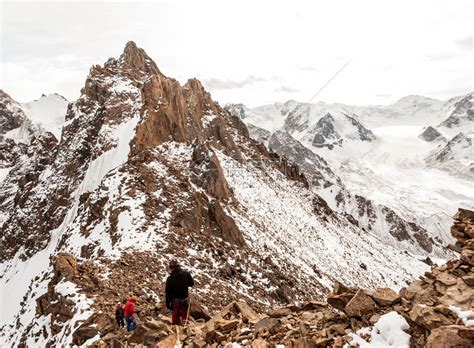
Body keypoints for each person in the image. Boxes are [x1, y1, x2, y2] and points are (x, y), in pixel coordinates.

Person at [165, 259, 194, 325]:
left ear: (171, 267)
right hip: (185, 300)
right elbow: (191, 283)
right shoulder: (186, 273)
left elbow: (168, 292)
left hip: (175, 301)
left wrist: (168, 304)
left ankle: (175, 329)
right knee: (185, 319)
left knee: (175, 319)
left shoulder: (170, 278)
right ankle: (186, 330)